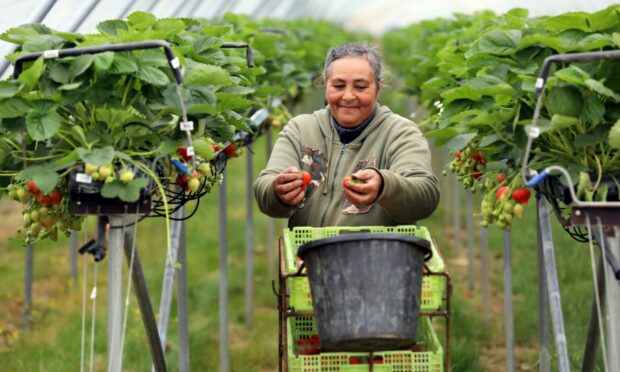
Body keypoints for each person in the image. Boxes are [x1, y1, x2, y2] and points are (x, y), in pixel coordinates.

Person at [253, 42, 439, 228]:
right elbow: (265, 187)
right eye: (339, 85)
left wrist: (384, 186)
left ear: (379, 88)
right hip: (309, 253)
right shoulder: (300, 129)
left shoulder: (400, 133)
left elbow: (425, 196)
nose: (348, 96)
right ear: (326, 86)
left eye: (360, 87)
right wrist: (278, 191)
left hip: (382, 254)